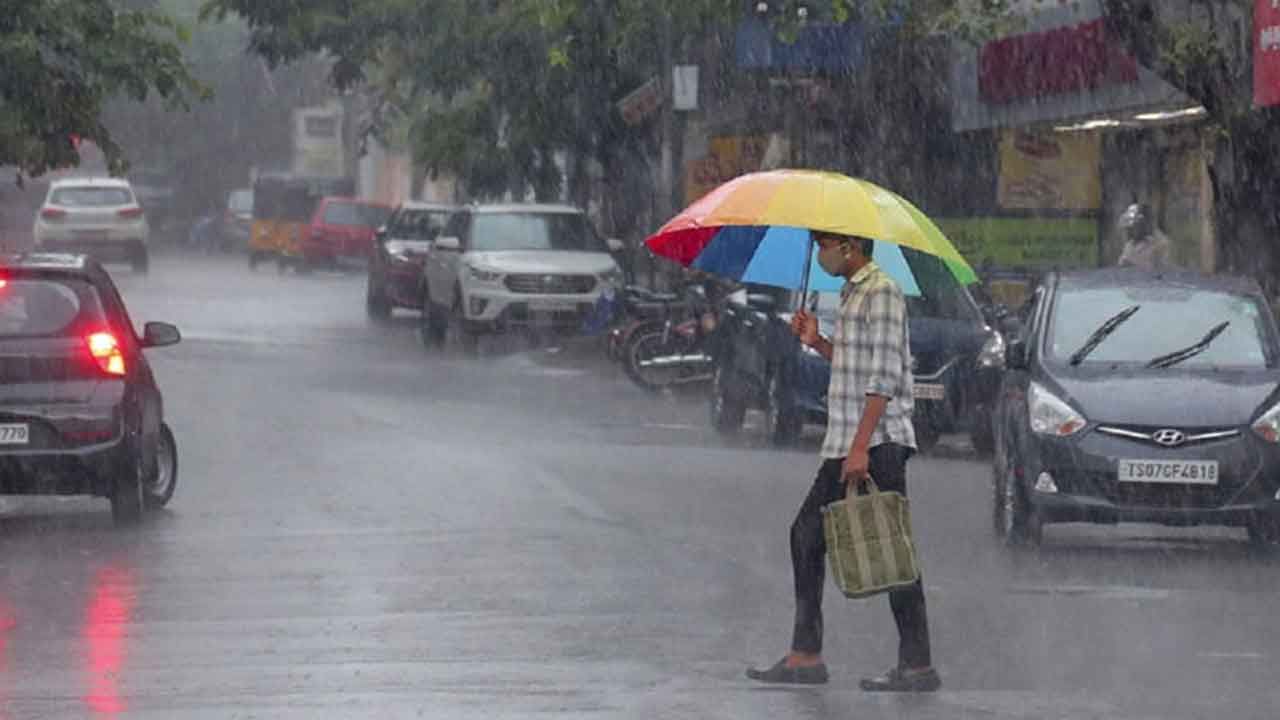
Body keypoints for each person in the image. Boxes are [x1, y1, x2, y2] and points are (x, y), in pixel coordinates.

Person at [746, 231, 940, 692]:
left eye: (823, 244)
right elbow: (854, 365)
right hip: (847, 441)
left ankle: (915, 665)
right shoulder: (852, 292)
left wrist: (860, 448)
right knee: (808, 536)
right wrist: (818, 342)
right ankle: (806, 653)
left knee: (890, 549)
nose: (819, 254)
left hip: (875, 442)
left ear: (849, 245)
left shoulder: (883, 292)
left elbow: (885, 376)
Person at [1117, 203, 1173, 271]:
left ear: (1144, 223)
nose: (1130, 231)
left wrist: (1134, 266)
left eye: (1134, 227)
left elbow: (1163, 270)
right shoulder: (1130, 244)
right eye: (1129, 228)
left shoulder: (1161, 243)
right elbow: (1122, 265)